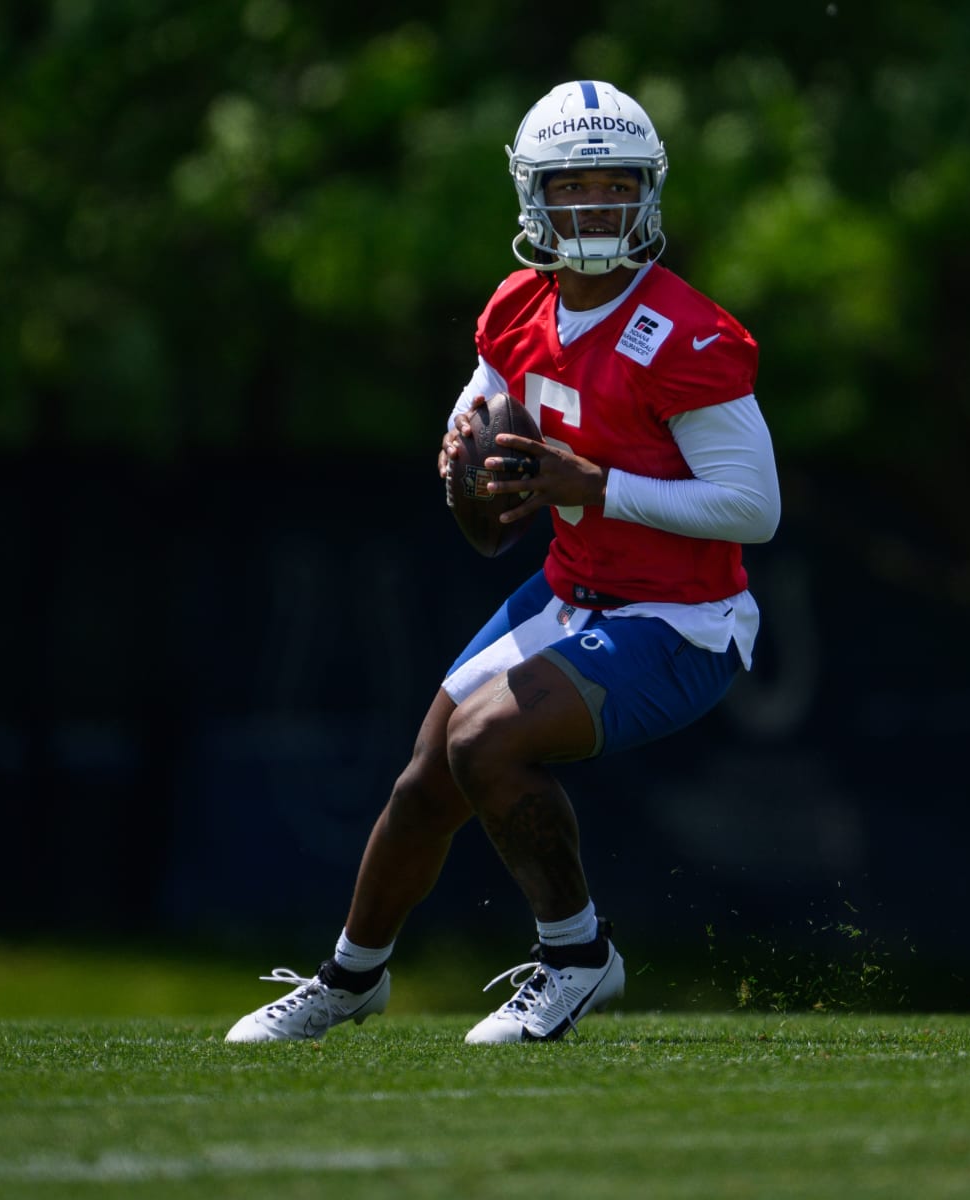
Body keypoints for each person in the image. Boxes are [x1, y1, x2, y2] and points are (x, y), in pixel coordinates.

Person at [227, 80, 780, 1043]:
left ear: (647, 194)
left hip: (682, 619)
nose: (593, 208)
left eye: (613, 187)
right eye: (571, 187)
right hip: (573, 591)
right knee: (427, 776)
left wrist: (595, 485)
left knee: (487, 743)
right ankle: (351, 979)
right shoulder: (520, 305)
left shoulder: (687, 334)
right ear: (535, 197)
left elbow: (755, 508)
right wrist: (458, 450)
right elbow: (482, 401)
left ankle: (579, 958)